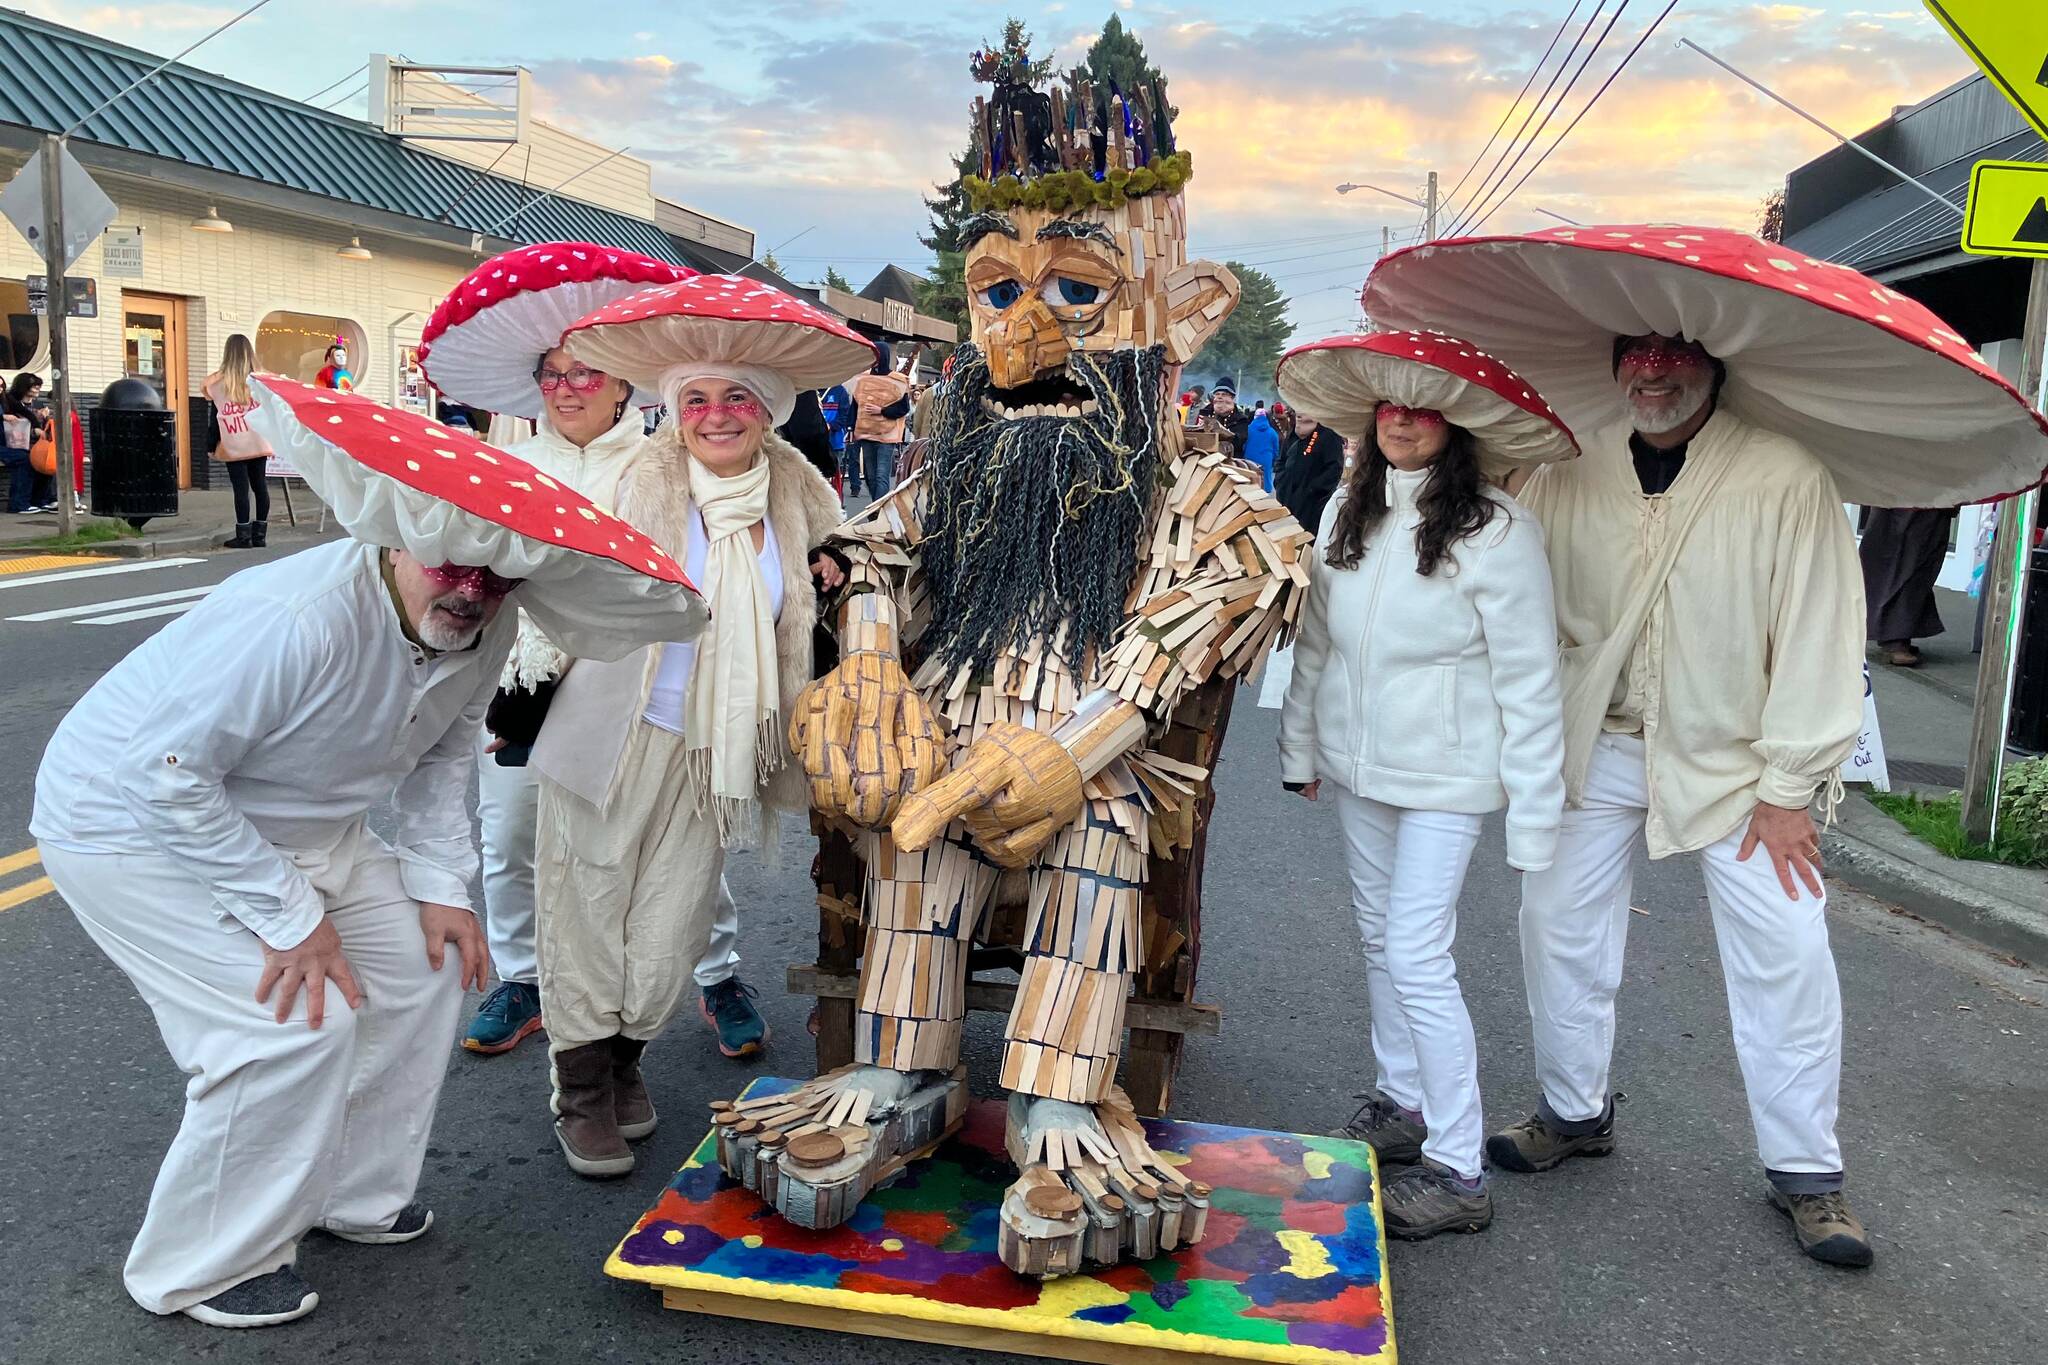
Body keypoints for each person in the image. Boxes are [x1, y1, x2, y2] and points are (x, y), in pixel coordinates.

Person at [714, 51, 1313, 1277]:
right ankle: (896, 1075)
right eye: (994, 296)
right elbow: (872, 554)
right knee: (914, 827)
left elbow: (1224, 599)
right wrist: (873, 665)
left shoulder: (1202, 493)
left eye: (1078, 295)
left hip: (1096, 764)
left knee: (1092, 824)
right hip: (942, 749)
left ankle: (1057, 1107)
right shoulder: (960, 480)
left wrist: (1070, 746)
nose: (1024, 335)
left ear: (1180, 312)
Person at [28, 372, 705, 1328]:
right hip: (130, 826)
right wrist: (292, 919)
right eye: (450, 567)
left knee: (429, 966)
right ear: (397, 540)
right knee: (284, 1027)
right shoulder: (299, 620)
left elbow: (439, 761)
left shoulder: (487, 614)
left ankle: (349, 1193)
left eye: (495, 575)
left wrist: (440, 888)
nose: (471, 592)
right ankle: (196, 1263)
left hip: (296, 824)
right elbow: (167, 774)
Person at [1494, 332, 1873, 1267]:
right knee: (1558, 926)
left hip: (1741, 762)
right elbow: (1511, 590)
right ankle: (1575, 1110)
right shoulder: (1567, 466)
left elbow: (1824, 624)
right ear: (1616, 363)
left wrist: (1791, 785)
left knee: (1787, 949)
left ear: (1713, 364)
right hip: (1601, 740)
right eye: (1637, 355)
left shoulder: (1784, 474)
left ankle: (1808, 1171)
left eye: (1673, 355)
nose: (1651, 373)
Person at [528, 276, 857, 1179]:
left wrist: (837, 587)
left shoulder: (800, 490)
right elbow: (560, 588)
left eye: (737, 398)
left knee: (673, 924)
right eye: (698, 399)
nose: (716, 416)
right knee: (586, 903)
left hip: (721, 745)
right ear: (674, 410)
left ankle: (627, 1055)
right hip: (616, 729)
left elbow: (853, 578)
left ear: (768, 410)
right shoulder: (639, 476)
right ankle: (582, 1083)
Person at [416, 244, 772, 1062]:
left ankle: (716, 973)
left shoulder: (668, 464)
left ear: (622, 382)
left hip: (632, 684)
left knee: (670, 842)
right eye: (553, 374)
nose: (568, 388)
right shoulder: (502, 468)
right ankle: (527, 976)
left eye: (585, 372)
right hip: (516, 689)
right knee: (511, 836)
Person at [1277, 332, 1572, 1240]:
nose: (1402, 420)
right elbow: (1317, 642)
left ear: (1456, 421)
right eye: (1389, 406)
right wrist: (1301, 746)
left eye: (1422, 405)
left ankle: (1457, 1164)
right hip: (1362, 767)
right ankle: (1403, 1102)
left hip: (1449, 776)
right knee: (1377, 935)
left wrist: (1535, 816)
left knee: (1416, 951)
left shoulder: (1497, 529)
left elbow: (1530, 679)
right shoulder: (1342, 514)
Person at [1859, 506, 1956, 667]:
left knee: (1920, 564)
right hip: (1904, 499)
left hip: (1930, 498)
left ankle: (1900, 633)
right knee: (1901, 557)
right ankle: (1894, 638)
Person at [204, 335, 274, 549]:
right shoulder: (262, 381)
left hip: (233, 441)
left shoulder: (217, 384)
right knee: (260, 485)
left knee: (240, 489)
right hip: (259, 439)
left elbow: (215, 418)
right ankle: (260, 535)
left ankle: (243, 535)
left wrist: (210, 444)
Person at [847, 340, 912, 501]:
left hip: (886, 436)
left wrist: (882, 411)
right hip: (866, 434)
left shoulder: (897, 381)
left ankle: (878, 511)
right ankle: (877, 506)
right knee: (869, 475)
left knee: (881, 475)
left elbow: (903, 408)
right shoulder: (863, 380)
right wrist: (850, 428)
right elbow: (856, 405)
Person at [1276, 414, 1343, 535]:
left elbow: (1334, 469)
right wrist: (1280, 481)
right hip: (1286, 498)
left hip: (1311, 507)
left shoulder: (1328, 434)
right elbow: (1282, 459)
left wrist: (1312, 489)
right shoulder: (1294, 432)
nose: (1300, 414)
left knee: (1304, 542)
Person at [4, 372, 45, 513]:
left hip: (17, 442)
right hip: (7, 444)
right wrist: (3, 416)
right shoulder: (8, 401)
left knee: (42, 457)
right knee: (24, 459)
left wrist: (40, 422)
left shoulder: (7, 399)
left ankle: (41, 500)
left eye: (2, 386)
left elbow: (28, 415)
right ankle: (18, 504)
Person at [1198, 376, 1251, 458]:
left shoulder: (1240, 419)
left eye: (1224, 394)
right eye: (1217, 394)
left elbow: (1239, 442)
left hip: (1230, 461)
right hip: (1204, 457)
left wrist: (1224, 433)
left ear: (1232, 397)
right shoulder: (1205, 413)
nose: (1219, 397)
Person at [821, 380, 852, 496]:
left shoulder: (839, 391)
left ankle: (835, 505)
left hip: (835, 442)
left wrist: (831, 426)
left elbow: (845, 416)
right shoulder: (810, 390)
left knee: (833, 479)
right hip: (813, 443)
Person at [1243, 403, 1279, 491]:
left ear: (1255, 417)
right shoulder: (1272, 432)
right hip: (1266, 458)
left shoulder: (1248, 429)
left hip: (1250, 458)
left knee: (1250, 478)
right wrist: (1274, 458)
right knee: (1265, 478)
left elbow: (1244, 444)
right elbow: (1276, 448)